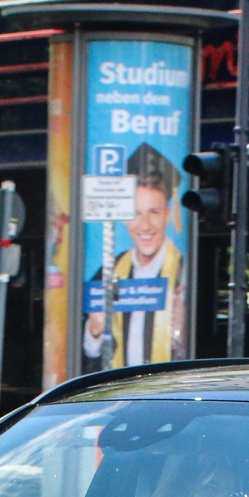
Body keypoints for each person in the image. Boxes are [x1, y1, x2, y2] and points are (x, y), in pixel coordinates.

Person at [82, 144, 185, 371]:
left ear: (168, 215)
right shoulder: (107, 272)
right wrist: (94, 331)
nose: (145, 226)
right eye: (135, 214)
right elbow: (90, 356)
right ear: (125, 219)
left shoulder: (185, 272)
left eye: (154, 212)